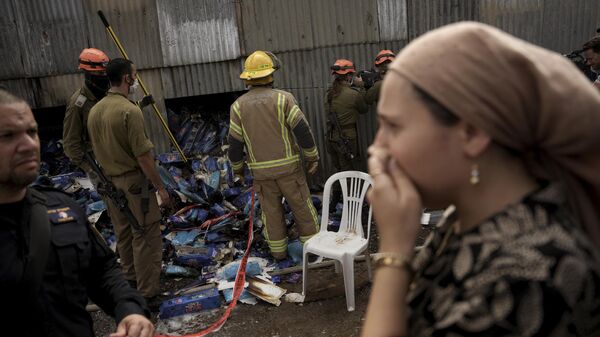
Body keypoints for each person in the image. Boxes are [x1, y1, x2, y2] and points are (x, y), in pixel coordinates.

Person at [362, 22, 600, 336]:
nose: (377, 147)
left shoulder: (527, 278)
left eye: (393, 126)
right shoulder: (464, 216)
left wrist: (393, 250)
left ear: (472, 133)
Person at [0, 89, 154, 337]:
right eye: (7, 136)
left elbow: (102, 270)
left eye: (32, 132)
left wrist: (130, 309)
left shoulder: (62, 209)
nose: (29, 145)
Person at [87, 58, 170, 303]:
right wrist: (161, 188)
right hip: (134, 184)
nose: (136, 79)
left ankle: (131, 282)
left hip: (110, 184)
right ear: (126, 78)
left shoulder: (95, 111)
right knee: (145, 236)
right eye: (134, 75)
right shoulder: (128, 110)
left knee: (123, 234)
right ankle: (147, 293)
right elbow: (144, 157)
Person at [228, 50, 320, 260]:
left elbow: (234, 144)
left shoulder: (238, 107)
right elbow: (303, 131)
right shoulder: (283, 99)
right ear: (271, 75)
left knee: (271, 214)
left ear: (248, 78)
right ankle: (313, 251)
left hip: (262, 175)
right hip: (290, 171)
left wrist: (238, 170)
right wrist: (312, 157)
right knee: (302, 208)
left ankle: (278, 253)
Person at [63, 48, 111, 182]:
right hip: (97, 165)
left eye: (105, 73)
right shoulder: (78, 103)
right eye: (100, 73)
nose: (104, 77)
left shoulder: (107, 94)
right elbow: (70, 143)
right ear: (88, 75)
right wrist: (90, 169)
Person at [325, 58, 368, 172]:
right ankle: (349, 190)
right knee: (349, 170)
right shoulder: (353, 94)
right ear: (348, 76)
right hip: (347, 139)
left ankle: (338, 189)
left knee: (339, 169)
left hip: (331, 137)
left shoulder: (329, 93)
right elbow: (364, 109)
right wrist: (362, 86)